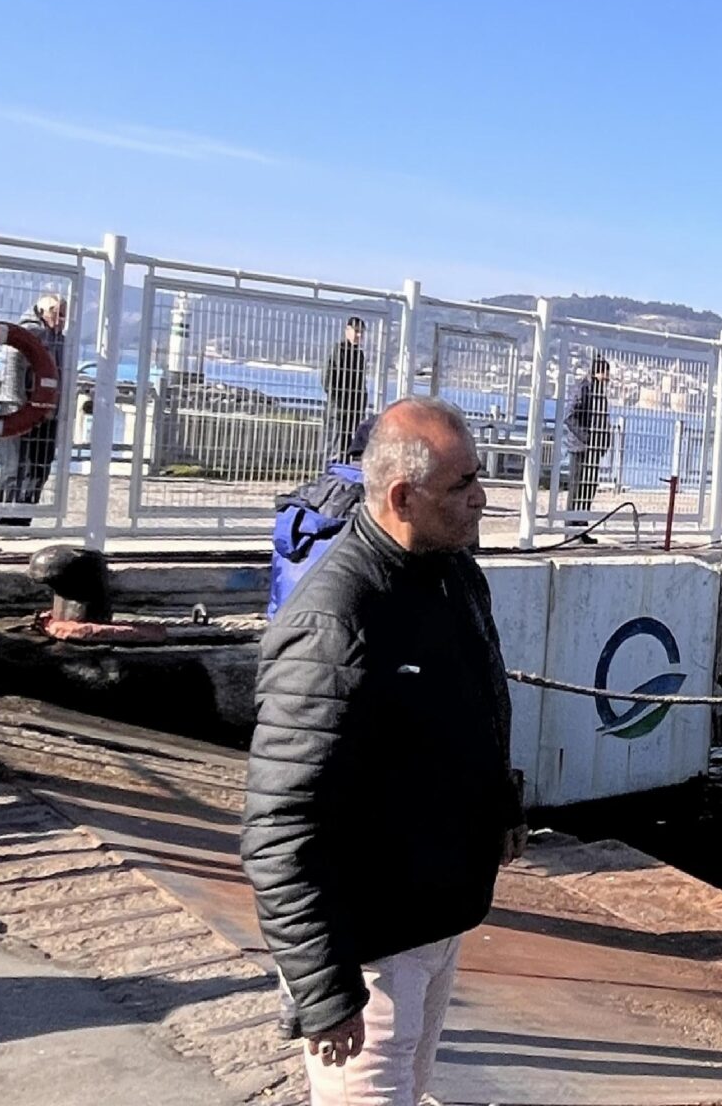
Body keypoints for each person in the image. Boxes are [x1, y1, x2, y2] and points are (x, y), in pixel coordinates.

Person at [242, 398, 520, 1106]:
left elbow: (473, 709)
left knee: (416, 1086)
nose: (482, 499)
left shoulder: (452, 573)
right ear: (403, 497)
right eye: (462, 485)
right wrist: (324, 991)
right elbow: (280, 827)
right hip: (369, 951)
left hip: (436, 919)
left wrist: (502, 810)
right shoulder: (336, 622)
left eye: (478, 477)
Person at [0, 293, 69, 525]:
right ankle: (8, 516)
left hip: (47, 413)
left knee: (38, 466)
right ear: (43, 311)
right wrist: (21, 409)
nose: (62, 319)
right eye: (58, 314)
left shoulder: (60, 339)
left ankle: (23, 516)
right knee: (14, 466)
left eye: (64, 315)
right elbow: (14, 370)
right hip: (19, 409)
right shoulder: (28, 333)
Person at [562, 354, 612, 516]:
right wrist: (587, 438)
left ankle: (581, 525)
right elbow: (569, 416)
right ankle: (571, 526)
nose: (607, 380)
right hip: (580, 447)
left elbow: (602, 419)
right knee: (577, 487)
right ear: (597, 373)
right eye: (605, 375)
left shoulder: (599, 393)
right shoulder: (583, 389)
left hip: (593, 449)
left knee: (589, 487)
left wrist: (604, 442)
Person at [322, 317, 371, 466]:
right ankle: (329, 476)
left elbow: (360, 382)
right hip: (338, 410)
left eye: (361, 333)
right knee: (334, 447)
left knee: (348, 448)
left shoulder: (359, 355)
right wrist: (338, 401)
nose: (359, 336)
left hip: (354, 411)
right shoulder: (338, 350)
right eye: (356, 332)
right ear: (347, 331)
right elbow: (327, 378)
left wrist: (360, 404)